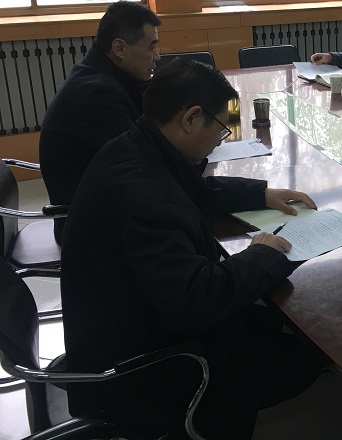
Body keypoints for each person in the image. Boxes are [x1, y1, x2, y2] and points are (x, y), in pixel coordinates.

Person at [61, 59, 322, 440]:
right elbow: (199, 301)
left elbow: (190, 191)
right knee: (306, 354)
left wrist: (261, 194)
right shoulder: (145, 200)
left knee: (272, 322)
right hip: (142, 369)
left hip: (129, 322)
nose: (222, 138)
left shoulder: (135, 147)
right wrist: (262, 254)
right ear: (191, 118)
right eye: (221, 127)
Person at [39, 0, 162, 243]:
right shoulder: (97, 95)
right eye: (151, 47)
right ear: (120, 48)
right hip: (91, 230)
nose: (157, 57)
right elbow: (144, 164)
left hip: (101, 207)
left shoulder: (99, 74)